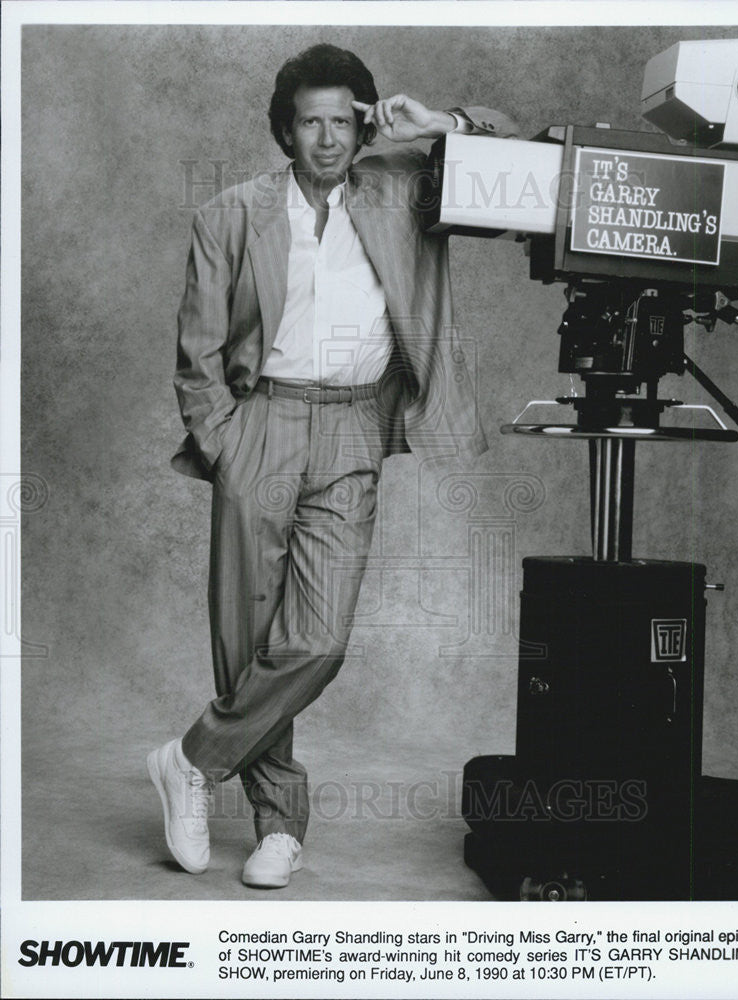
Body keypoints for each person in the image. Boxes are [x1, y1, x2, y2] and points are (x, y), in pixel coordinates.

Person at [148, 43, 519, 889]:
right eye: (308, 121)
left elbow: (514, 170)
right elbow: (197, 352)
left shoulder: (403, 188)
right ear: (285, 130)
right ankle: (279, 828)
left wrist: (441, 125)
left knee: (315, 640)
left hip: (353, 427)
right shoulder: (230, 214)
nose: (325, 138)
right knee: (248, 639)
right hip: (263, 425)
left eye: (341, 120)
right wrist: (223, 442)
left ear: (363, 122)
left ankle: (190, 760)